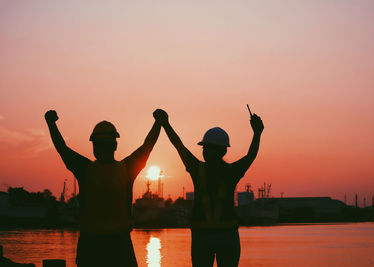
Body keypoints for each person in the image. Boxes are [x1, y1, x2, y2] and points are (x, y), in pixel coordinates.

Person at [45, 109, 163, 267]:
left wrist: (51, 123)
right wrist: (158, 122)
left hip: (91, 245)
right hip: (119, 246)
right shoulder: (127, 169)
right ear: (115, 145)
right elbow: (147, 146)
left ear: (94, 146)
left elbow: (62, 148)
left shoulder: (85, 169)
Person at [154, 109, 264, 267]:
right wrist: (257, 133)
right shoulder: (231, 171)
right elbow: (251, 155)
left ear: (221, 151)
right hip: (225, 236)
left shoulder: (197, 169)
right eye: (204, 148)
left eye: (207, 148)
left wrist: (166, 124)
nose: (204, 151)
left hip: (204, 236)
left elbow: (179, 146)